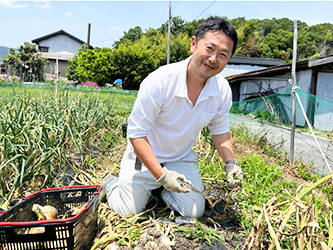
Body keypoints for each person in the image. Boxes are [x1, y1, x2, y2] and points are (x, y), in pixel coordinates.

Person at [103, 16, 243, 218]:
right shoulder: (160, 81)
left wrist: (231, 163)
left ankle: (161, 190)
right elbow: (136, 134)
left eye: (223, 54)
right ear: (194, 44)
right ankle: (111, 184)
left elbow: (220, 131)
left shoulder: (221, 90)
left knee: (193, 211)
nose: (213, 59)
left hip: (180, 158)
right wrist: (162, 175)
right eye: (209, 49)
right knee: (128, 211)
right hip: (144, 157)